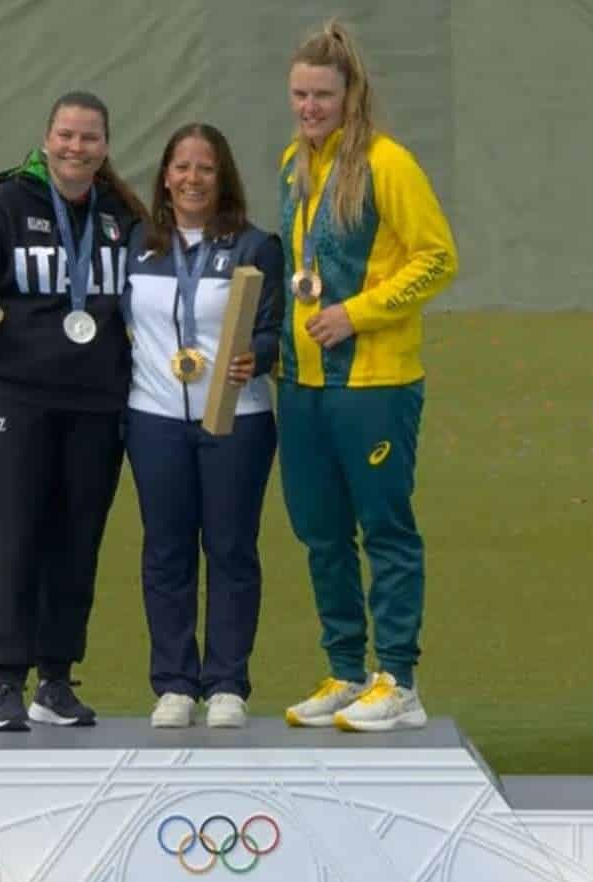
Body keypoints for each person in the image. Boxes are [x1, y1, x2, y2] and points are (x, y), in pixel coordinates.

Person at [0, 92, 145, 732]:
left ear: (106, 147)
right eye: (67, 136)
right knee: (13, 534)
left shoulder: (119, 217)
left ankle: (56, 680)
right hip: (11, 397)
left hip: (97, 403)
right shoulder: (5, 205)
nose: (77, 148)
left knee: (77, 539)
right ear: (47, 140)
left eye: (90, 138)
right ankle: (5, 683)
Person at [275, 20, 459, 732]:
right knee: (320, 534)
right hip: (302, 384)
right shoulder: (293, 161)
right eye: (299, 93)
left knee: (384, 530)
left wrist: (359, 313)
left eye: (321, 94)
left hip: (374, 383)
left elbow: (437, 259)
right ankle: (347, 671)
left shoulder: (389, 164)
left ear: (350, 96)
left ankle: (400, 681)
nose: (308, 107)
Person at [122, 124, 284, 729]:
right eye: (182, 167)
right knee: (165, 552)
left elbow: (273, 328)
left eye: (206, 169)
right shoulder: (139, 244)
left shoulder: (253, 246)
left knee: (231, 549)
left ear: (224, 178)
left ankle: (225, 683)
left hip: (236, 421)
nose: (193, 179)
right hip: (154, 417)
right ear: (165, 175)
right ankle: (174, 684)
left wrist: (258, 356)